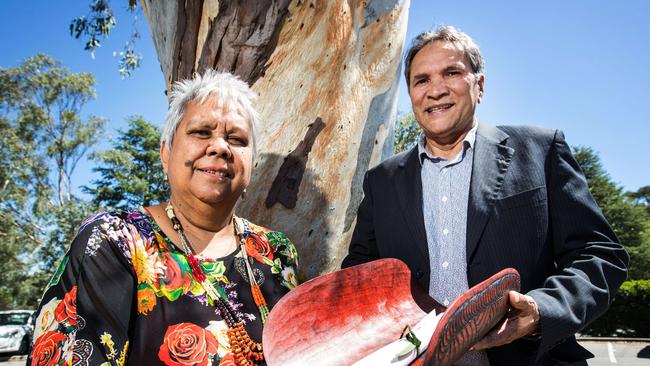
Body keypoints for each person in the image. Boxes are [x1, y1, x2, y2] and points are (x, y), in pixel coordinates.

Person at [342, 26, 629, 365]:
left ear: (480, 86)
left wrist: (541, 310)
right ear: (411, 94)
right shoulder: (381, 181)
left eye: (451, 73)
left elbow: (599, 254)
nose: (435, 90)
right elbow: (359, 280)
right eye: (421, 80)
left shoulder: (540, 151)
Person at [28, 70, 299, 366]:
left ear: (252, 165)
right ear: (165, 153)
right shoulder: (114, 242)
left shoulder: (275, 252)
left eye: (236, 138)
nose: (220, 147)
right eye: (201, 132)